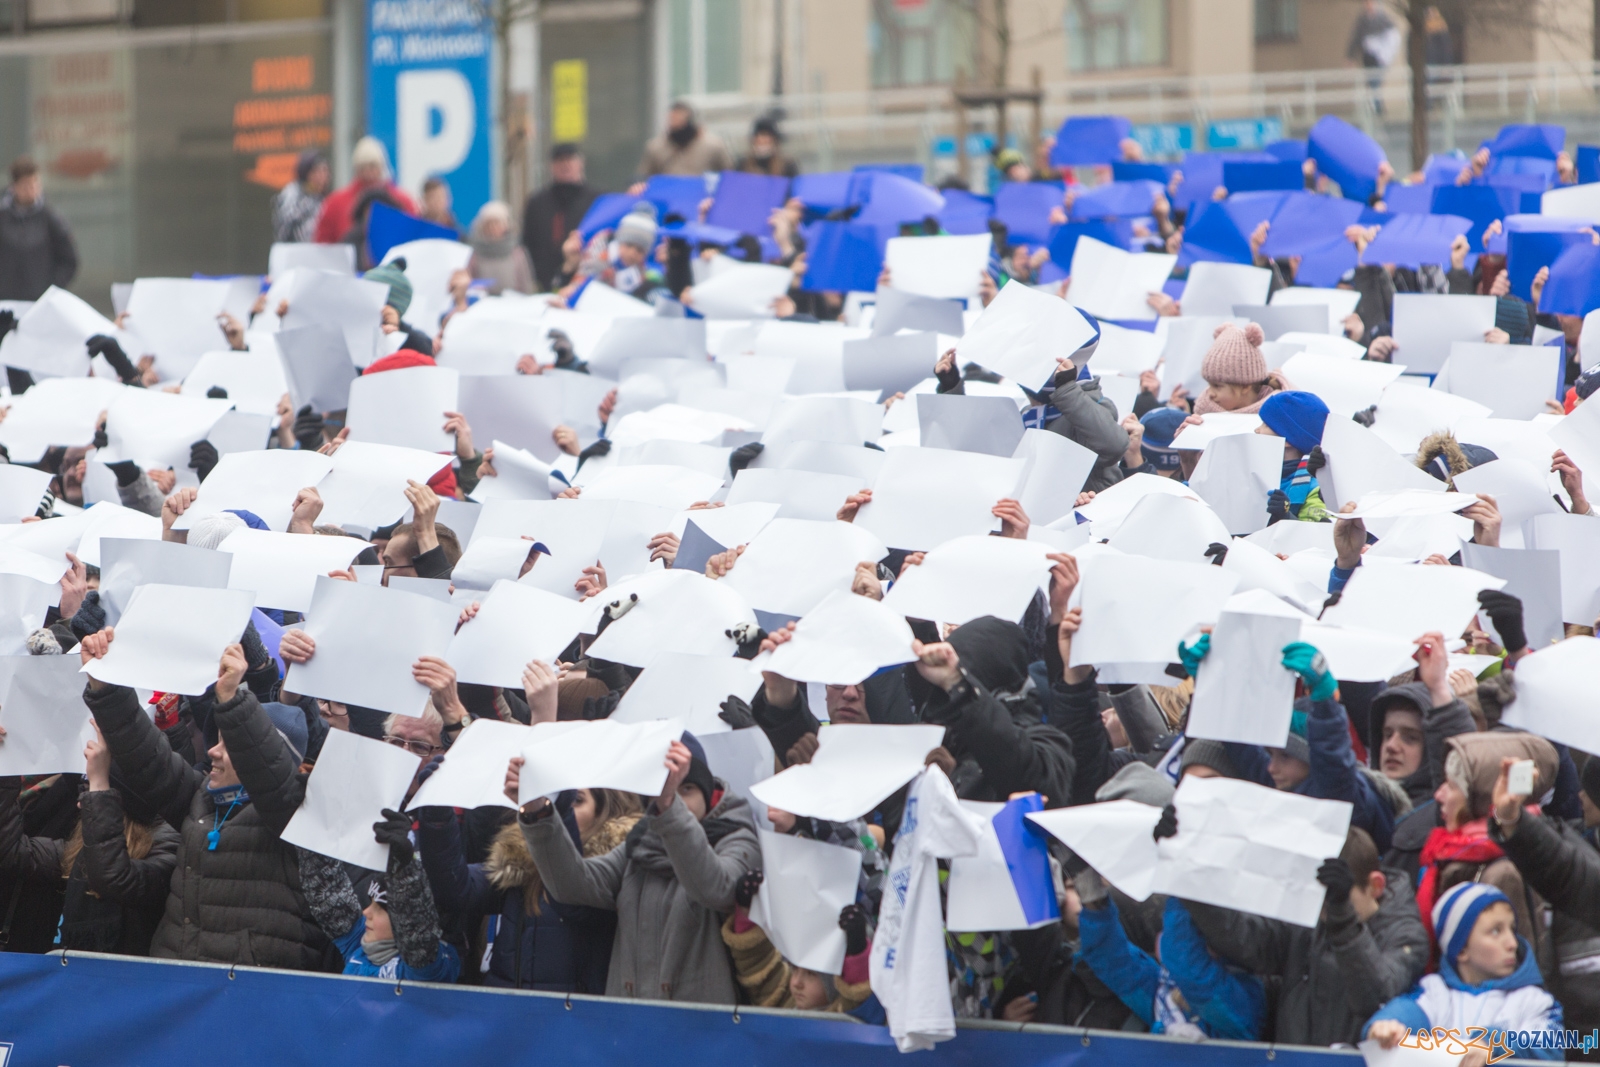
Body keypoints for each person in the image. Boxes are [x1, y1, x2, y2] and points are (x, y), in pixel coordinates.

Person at [78, 633, 337, 971]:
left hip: (250, 1000)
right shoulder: (201, 799)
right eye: (217, 740)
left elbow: (272, 779)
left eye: (230, 745)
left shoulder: (297, 816)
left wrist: (231, 698)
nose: (212, 752)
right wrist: (105, 686)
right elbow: (148, 757)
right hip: (179, 990)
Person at [506, 731, 760, 1003]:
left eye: (686, 789)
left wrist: (668, 806)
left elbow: (716, 889)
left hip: (701, 1034)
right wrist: (537, 811)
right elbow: (572, 885)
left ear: (709, 793)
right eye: (663, 790)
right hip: (629, 1030)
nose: (675, 799)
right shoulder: (639, 844)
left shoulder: (737, 837)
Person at [1178, 827, 1429, 1045]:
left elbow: (1375, 995)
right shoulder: (1307, 923)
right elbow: (1242, 939)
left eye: (1334, 896)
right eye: (1316, 896)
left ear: (1376, 886)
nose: (1323, 908)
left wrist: (1342, 918)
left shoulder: (1407, 937)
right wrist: (1190, 871)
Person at [417, 788, 640, 991]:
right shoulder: (520, 860)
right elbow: (455, 889)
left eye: (575, 801)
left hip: (574, 1024)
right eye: (553, 798)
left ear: (606, 813)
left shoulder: (618, 869)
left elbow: (571, 898)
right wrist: (437, 819)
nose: (554, 807)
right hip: (510, 1016)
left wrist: (555, 818)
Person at [0, 724, 180, 956]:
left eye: (93, 789)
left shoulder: (167, 843)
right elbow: (12, 851)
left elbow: (112, 875)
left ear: (120, 797)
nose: (81, 801)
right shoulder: (82, 845)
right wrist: (6, 766)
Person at [1365, 882, 1564, 1061]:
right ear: (1461, 949)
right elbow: (1403, 1012)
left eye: (1512, 929)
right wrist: (1385, 1027)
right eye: (1495, 931)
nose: (1512, 943)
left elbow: (1555, 1041)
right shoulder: (1435, 993)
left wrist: (1492, 1044)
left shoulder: (1533, 1000)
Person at [298, 810, 460, 982]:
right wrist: (312, 820)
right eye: (371, 903)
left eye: (381, 909)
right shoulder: (358, 945)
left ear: (402, 918)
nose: (367, 911)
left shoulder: (428, 966)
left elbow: (417, 936)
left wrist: (404, 868)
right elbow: (327, 893)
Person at [0, 156, 78, 302]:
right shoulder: (3, 218)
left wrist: (51, 289)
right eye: (26, 185)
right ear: (14, 187)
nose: (31, 190)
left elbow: (69, 260)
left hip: (39, 302)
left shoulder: (51, 219)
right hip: (5, 303)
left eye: (35, 184)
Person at [315, 136, 417, 245]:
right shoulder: (335, 203)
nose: (368, 173)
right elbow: (323, 244)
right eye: (363, 167)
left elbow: (414, 237)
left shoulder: (402, 201)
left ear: (382, 167)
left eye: (372, 166)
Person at [521, 144, 597, 292]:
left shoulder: (595, 200)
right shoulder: (537, 202)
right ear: (551, 166)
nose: (565, 165)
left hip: (587, 279)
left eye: (570, 160)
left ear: (581, 163)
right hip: (546, 281)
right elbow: (528, 242)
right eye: (559, 161)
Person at [1258, 391, 1331, 523]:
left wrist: (1285, 516)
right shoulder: (1255, 473)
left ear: (1287, 440)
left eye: (1266, 425)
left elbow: (1319, 536)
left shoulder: (1316, 487)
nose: (1256, 430)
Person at [638, 102, 732, 178]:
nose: (675, 126)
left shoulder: (713, 145)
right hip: (668, 195)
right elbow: (643, 177)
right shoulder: (656, 147)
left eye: (680, 122)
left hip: (701, 196)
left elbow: (729, 174)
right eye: (672, 121)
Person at [465, 201, 534, 295]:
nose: (493, 228)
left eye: (497, 223)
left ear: (506, 225)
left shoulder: (517, 253)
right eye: (489, 224)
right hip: (483, 306)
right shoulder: (475, 255)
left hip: (514, 304)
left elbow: (526, 284)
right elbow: (468, 282)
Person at [1347, 0, 1398, 116]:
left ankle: (1377, 106)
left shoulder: (1382, 18)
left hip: (1379, 56)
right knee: (1372, 81)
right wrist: (1350, 56)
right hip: (1368, 56)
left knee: (1376, 81)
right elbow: (1356, 38)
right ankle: (1377, 105)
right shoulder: (1362, 20)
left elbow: (1391, 34)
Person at [272, 151, 331, 244]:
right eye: (317, 171)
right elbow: (284, 228)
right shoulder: (292, 194)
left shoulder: (326, 198)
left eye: (325, 171)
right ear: (306, 173)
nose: (323, 176)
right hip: (297, 251)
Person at [735, 117, 799, 179]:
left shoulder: (787, 165)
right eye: (759, 137)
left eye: (767, 137)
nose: (763, 141)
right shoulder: (743, 164)